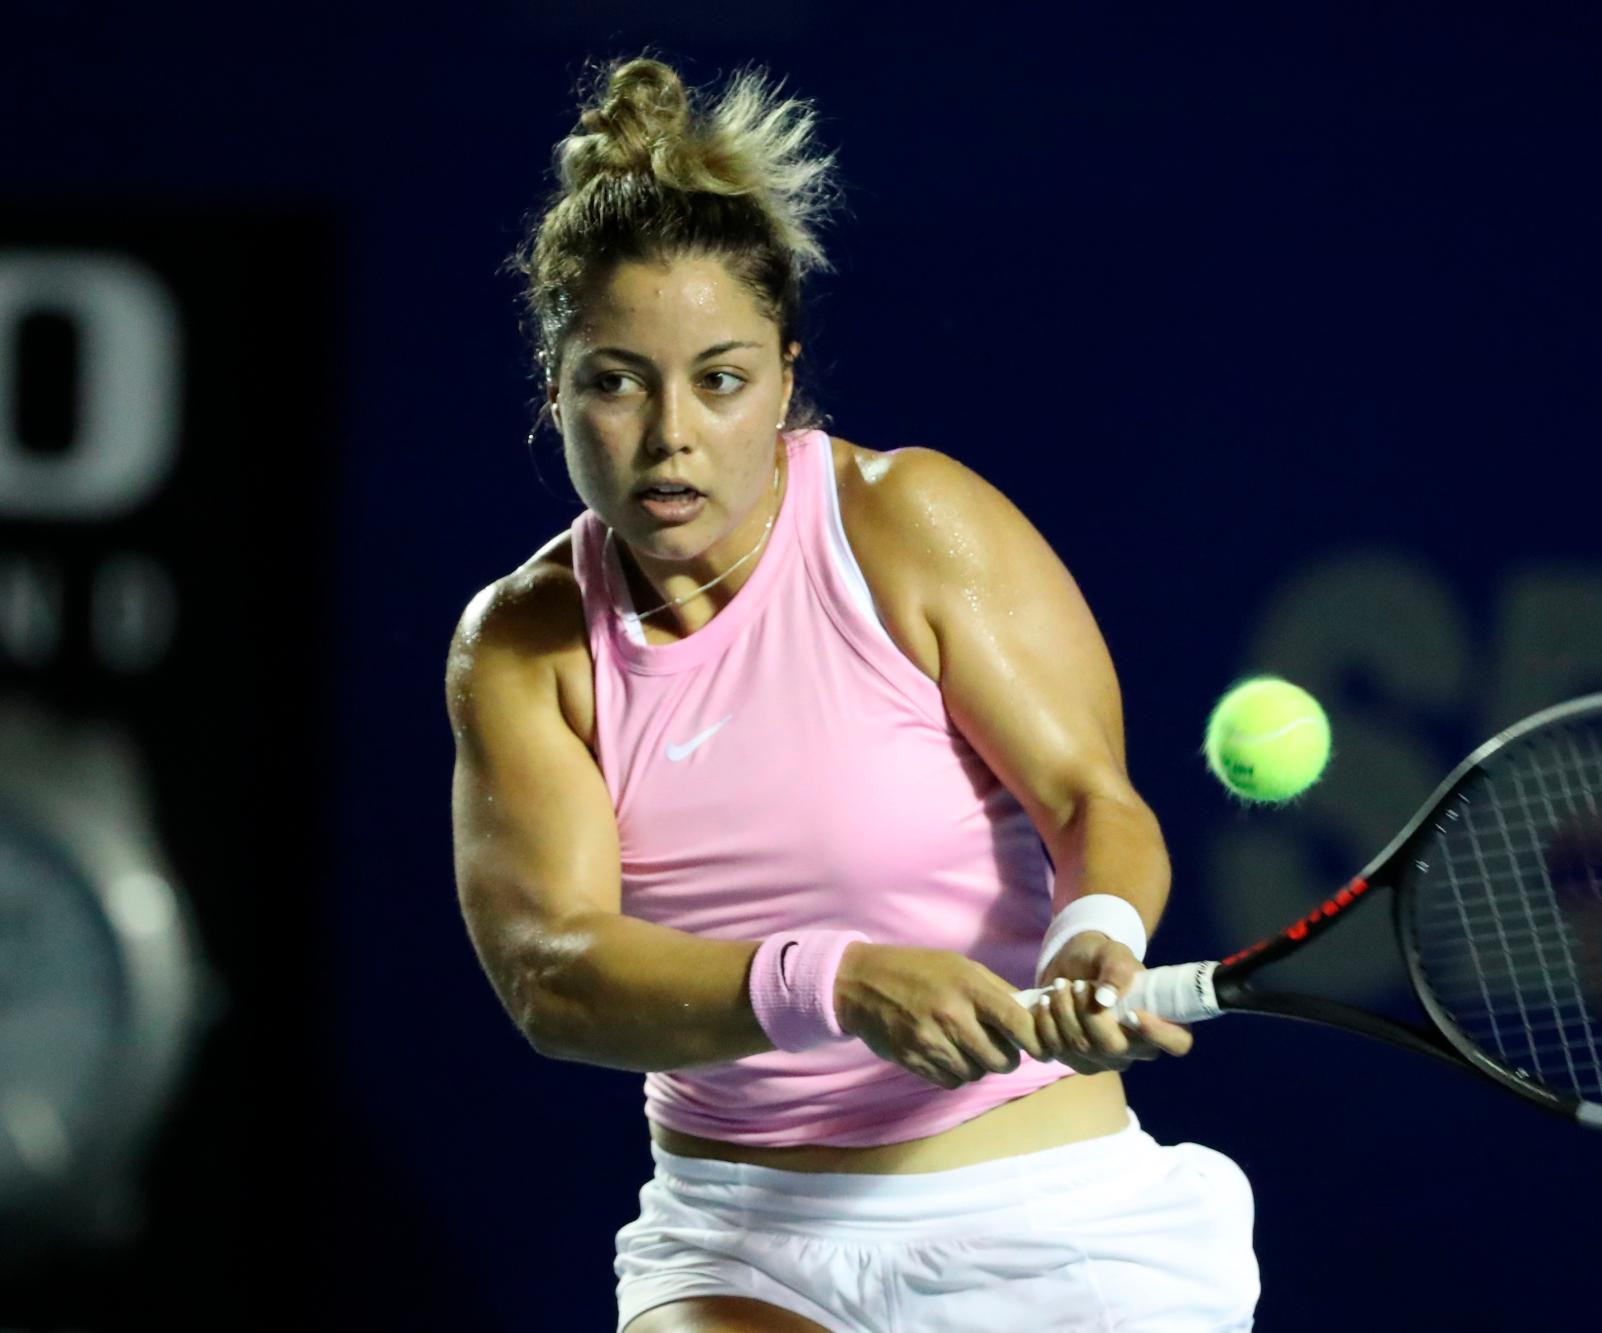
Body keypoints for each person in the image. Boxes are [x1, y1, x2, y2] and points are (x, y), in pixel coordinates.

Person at [446, 54, 1260, 1332]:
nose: (669, 433)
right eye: (615, 378)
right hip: (735, 1242)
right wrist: (832, 979)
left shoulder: (909, 522)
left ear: (782, 377)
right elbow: (553, 978)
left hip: (1044, 1216)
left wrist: (1090, 933)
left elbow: (1090, 801)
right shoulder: (520, 647)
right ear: (553, 389)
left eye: (719, 379)